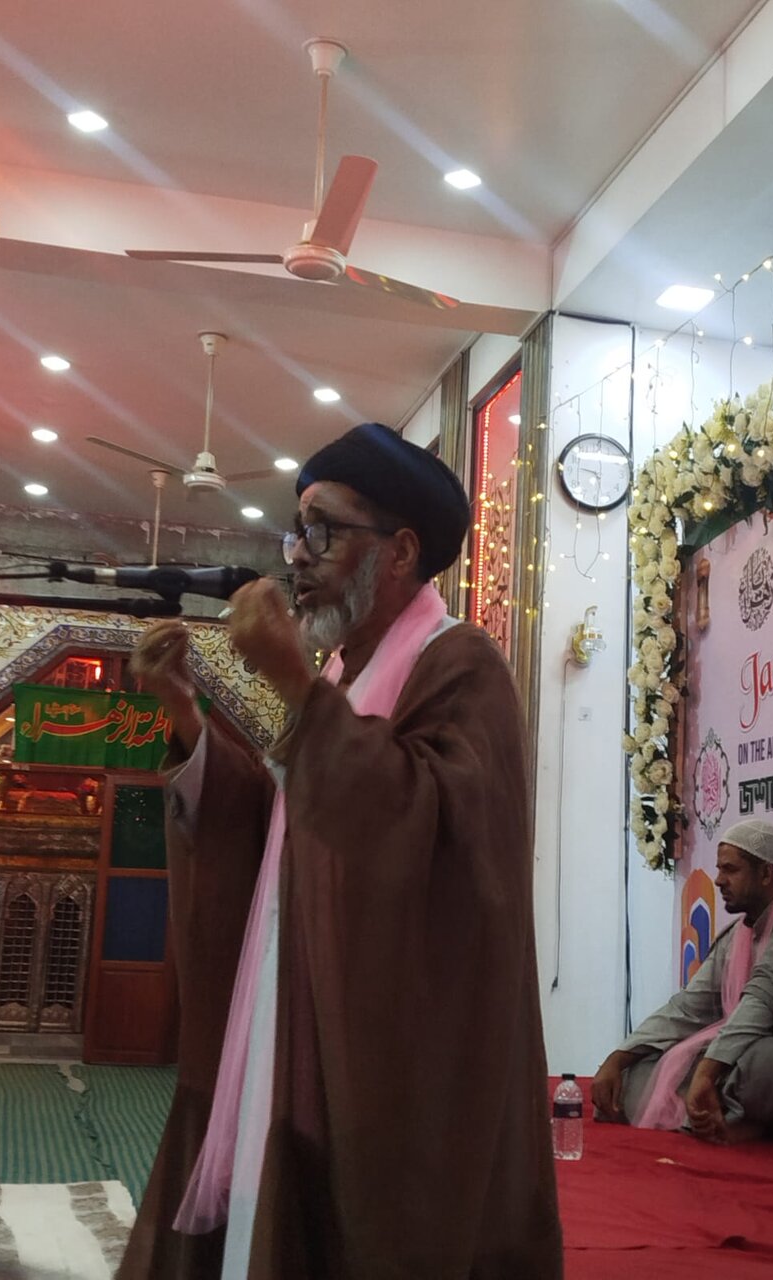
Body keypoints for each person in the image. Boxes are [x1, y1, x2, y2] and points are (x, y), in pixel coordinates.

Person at [118, 423, 562, 1280]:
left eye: (323, 531)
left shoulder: (459, 664)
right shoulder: (341, 675)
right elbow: (290, 834)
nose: (298, 556)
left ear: (401, 551)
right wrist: (185, 712)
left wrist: (291, 681)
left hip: (395, 1055)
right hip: (301, 1003)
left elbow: (419, 832)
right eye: (297, 531)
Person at [591, 819, 773, 1144]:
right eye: (719, 869)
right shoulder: (740, 934)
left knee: (757, 1062)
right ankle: (735, 1118)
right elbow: (688, 1008)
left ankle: (730, 1115)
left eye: (730, 870)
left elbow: (761, 1004)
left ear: (765, 873)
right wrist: (618, 1058)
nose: (719, 880)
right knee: (646, 1068)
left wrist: (707, 1072)